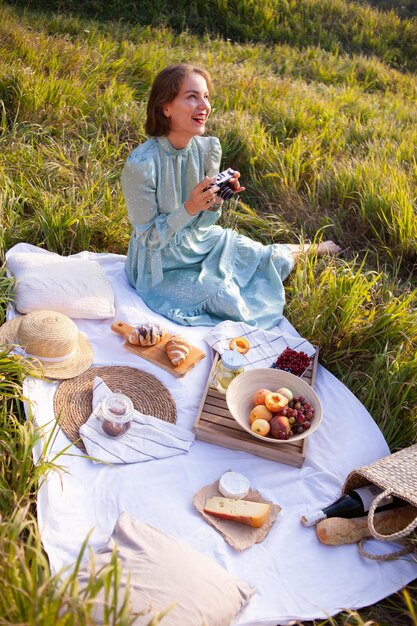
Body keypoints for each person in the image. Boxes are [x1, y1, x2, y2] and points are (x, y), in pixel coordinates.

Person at [122, 63, 340, 329]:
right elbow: (149, 240)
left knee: (258, 255)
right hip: (160, 268)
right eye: (192, 96)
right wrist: (189, 207)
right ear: (165, 107)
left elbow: (203, 224)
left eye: (206, 96)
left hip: (199, 242)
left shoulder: (206, 149)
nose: (204, 105)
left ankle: (312, 249)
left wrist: (215, 201)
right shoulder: (142, 165)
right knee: (228, 299)